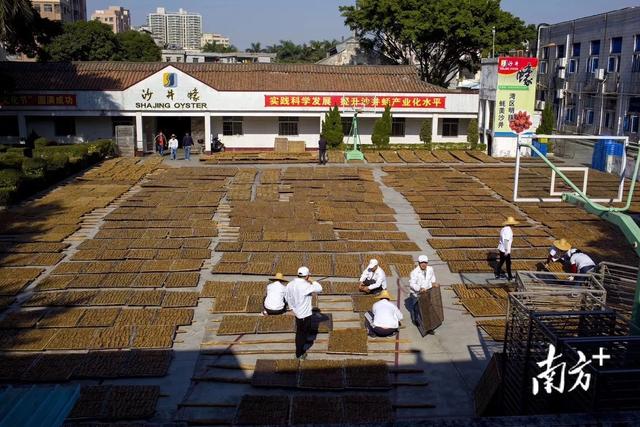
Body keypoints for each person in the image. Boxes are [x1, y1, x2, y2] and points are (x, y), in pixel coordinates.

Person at [286, 266, 322, 360]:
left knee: (300, 331)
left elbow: (287, 297)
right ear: (307, 276)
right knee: (301, 334)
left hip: (297, 312)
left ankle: (300, 349)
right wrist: (312, 280)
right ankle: (299, 353)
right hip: (304, 314)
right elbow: (319, 288)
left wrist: (291, 308)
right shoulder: (306, 286)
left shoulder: (290, 284)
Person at [408, 255, 438, 325]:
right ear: (419, 263)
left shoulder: (430, 269)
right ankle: (415, 319)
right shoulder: (414, 272)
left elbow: (432, 276)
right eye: (422, 263)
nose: (424, 264)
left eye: (425, 262)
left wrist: (433, 282)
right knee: (417, 308)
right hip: (417, 294)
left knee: (426, 307)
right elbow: (412, 284)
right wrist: (419, 288)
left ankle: (428, 325)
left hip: (427, 291)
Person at [495, 216, 519, 281]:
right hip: (505, 249)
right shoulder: (508, 230)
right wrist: (506, 251)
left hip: (501, 248)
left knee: (502, 261)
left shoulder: (504, 229)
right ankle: (509, 276)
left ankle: (498, 273)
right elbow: (506, 240)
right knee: (508, 263)